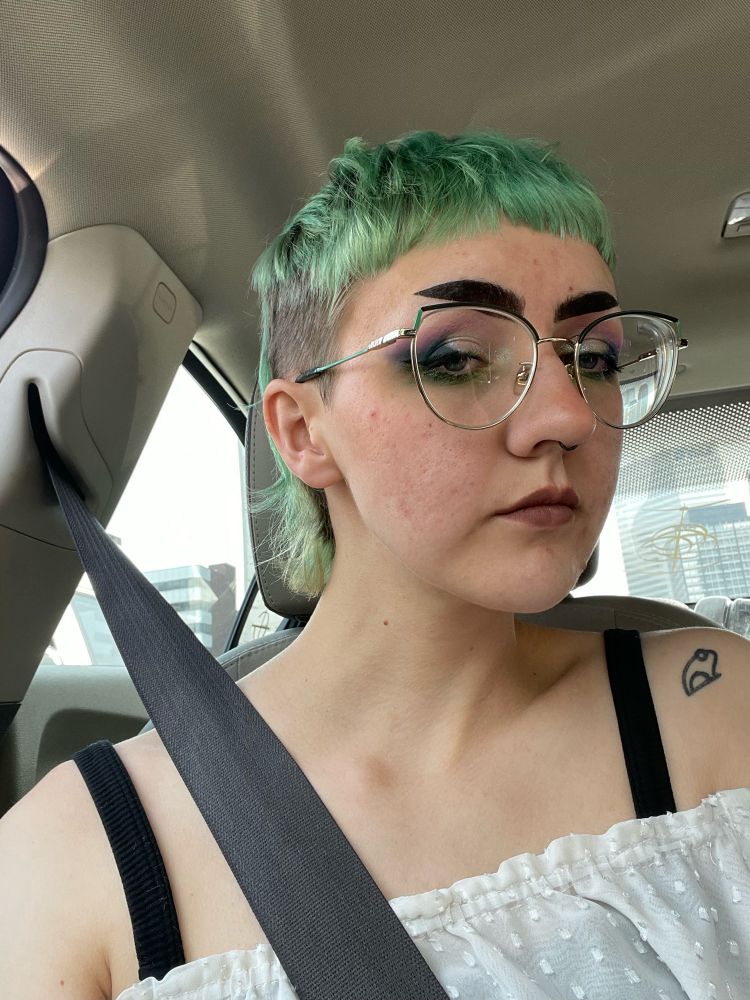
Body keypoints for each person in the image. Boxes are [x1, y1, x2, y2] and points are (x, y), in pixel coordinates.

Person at [1, 130, 749, 1000]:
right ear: (302, 432)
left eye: (593, 357)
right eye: (457, 357)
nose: (568, 416)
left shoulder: (716, 708)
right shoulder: (72, 861)